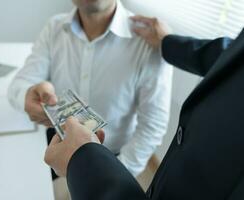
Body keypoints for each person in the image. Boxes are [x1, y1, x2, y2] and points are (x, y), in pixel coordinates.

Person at [44, 15, 244, 199]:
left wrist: (86, 164)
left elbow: (152, 125)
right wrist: (170, 44)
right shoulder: (54, 26)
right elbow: (234, 56)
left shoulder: (144, 45)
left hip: (107, 163)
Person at [8, 0, 172, 179]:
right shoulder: (54, 27)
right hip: (57, 143)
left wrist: (116, 177)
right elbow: (19, 85)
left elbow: (153, 124)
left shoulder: (152, 40)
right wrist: (27, 97)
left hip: (112, 157)